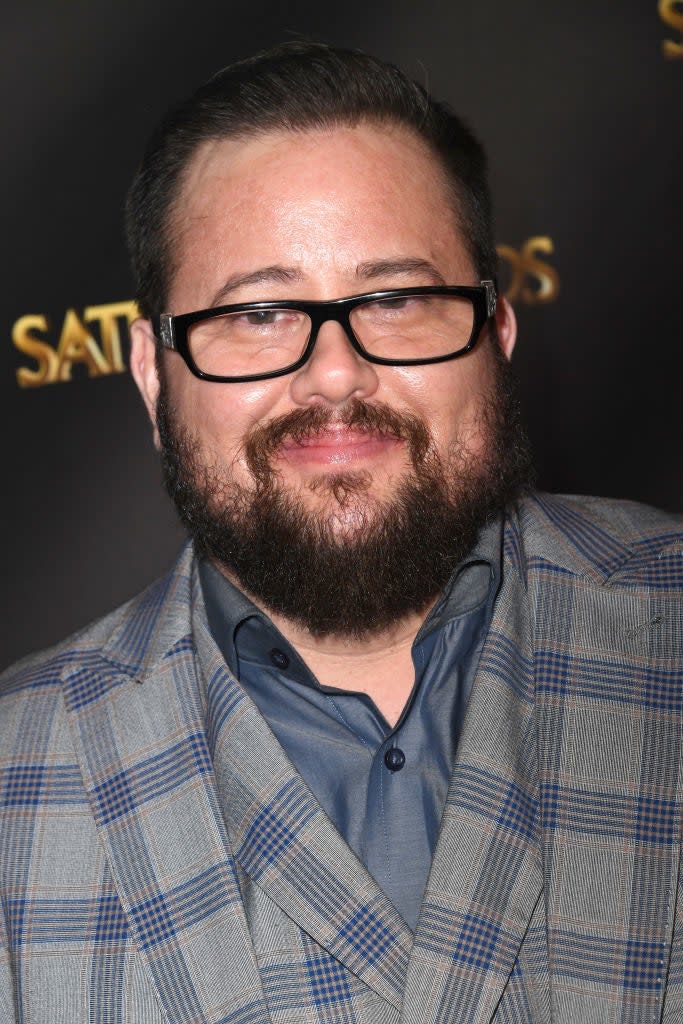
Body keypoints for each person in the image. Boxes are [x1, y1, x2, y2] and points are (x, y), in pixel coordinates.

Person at [1, 42, 682, 1024]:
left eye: (395, 300)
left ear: (494, 334)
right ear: (154, 376)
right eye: (259, 311)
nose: (332, 374)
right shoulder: (17, 779)